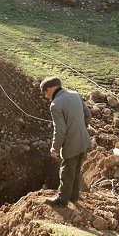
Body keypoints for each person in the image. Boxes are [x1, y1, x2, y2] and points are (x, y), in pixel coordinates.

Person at [40, 76, 91, 206]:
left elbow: (60, 130)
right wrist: (79, 129)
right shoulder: (75, 95)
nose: (45, 96)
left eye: (45, 92)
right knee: (76, 170)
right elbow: (88, 114)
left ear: (51, 89)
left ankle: (62, 200)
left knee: (66, 172)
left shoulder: (56, 105)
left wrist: (55, 148)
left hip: (71, 144)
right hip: (83, 140)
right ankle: (73, 197)